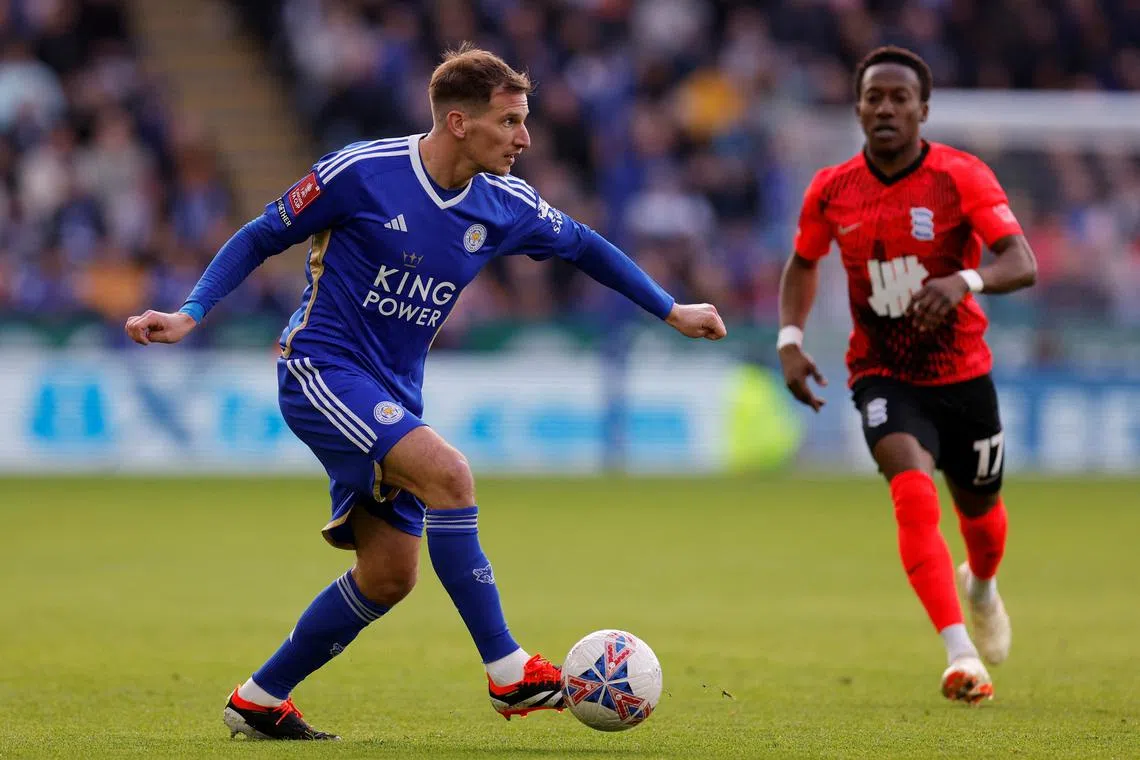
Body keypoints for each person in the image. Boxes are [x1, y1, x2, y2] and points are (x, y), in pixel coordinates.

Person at [125, 44, 726, 740]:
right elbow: (262, 234)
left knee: (388, 576)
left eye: (524, 121)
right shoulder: (364, 172)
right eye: (510, 121)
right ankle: (508, 673)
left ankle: (260, 699)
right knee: (451, 475)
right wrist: (190, 312)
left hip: (393, 393)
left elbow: (586, 245)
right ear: (460, 121)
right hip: (320, 368)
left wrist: (671, 309)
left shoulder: (505, 203)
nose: (524, 138)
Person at [776, 46, 1037, 704]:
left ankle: (980, 586)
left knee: (982, 518)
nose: (885, 107)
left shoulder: (960, 177)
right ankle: (960, 653)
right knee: (912, 493)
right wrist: (790, 338)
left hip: (963, 373)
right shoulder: (831, 189)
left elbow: (1021, 260)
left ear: (923, 109)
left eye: (899, 98)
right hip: (882, 373)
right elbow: (804, 262)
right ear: (859, 107)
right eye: (873, 97)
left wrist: (964, 279)